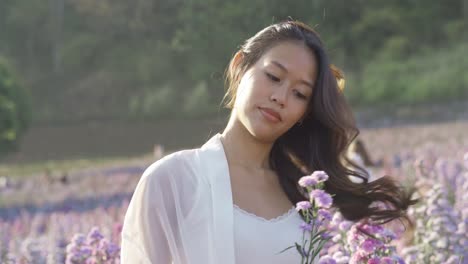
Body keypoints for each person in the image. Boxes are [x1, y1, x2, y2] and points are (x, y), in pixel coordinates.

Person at [121, 20, 415, 264]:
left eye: (300, 94)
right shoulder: (174, 179)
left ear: (305, 113)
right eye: (273, 76)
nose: (281, 97)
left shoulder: (305, 196)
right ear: (240, 66)